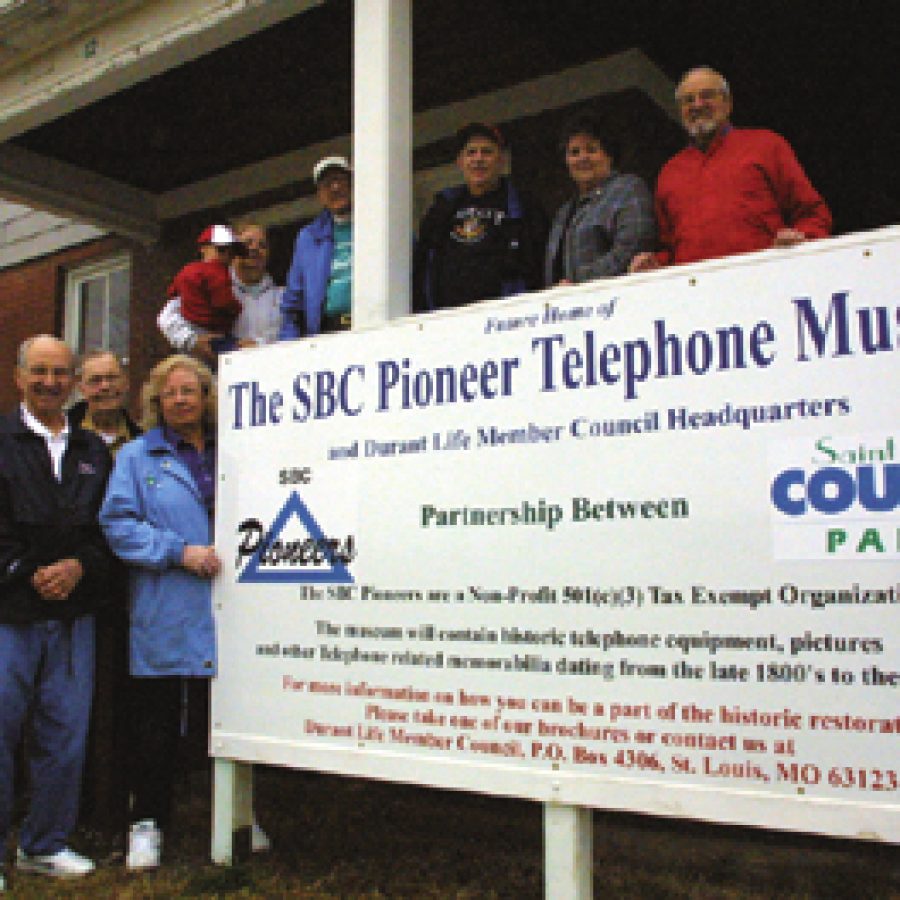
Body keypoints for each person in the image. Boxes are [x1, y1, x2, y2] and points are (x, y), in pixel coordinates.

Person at [99, 356, 268, 869]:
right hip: (168, 607)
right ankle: (146, 823)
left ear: (206, 397)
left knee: (230, 716)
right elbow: (117, 524)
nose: (180, 400)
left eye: (189, 391)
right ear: (156, 401)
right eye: (169, 393)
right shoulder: (135, 457)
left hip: (233, 607)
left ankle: (237, 815)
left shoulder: (235, 451)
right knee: (156, 724)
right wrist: (179, 551)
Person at [0, 335, 111, 883]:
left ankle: (44, 843)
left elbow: (104, 532)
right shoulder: (1, 440)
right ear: (19, 377)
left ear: (73, 382)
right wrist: (26, 573)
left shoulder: (92, 451)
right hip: (8, 616)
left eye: (60, 372)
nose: (50, 382)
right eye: (39, 372)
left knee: (65, 736)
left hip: (74, 615)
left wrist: (78, 569)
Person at [630, 66, 832, 272]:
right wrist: (654, 265)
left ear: (727, 103)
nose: (697, 105)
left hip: (767, 281)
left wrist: (801, 239)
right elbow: (670, 249)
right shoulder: (669, 172)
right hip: (697, 296)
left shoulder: (766, 145)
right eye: (688, 100)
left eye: (707, 96)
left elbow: (814, 215)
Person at [69, 351, 140, 838]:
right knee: (75, 699)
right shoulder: (65, 439)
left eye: (112, 378)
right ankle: (72, 804)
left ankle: (117, 803)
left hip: (133, 587)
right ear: (81, 386)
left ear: (126, 382)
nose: (105, 387)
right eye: (95, 380)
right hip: (77, 586)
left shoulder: (144, 438)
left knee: (124, 699)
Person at [413, 122, 548, 312]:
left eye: (486, 152)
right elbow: (421, 266)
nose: (478, 159)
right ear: (460, 161)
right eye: (471, 152)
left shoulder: (524, 206)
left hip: (506, 319)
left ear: (501, 159)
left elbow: (539, 265)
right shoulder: (442, 208)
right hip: (446, 321)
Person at [545, 114, 655, 286]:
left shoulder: (628, 189)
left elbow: (632, 249)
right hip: (571, 306)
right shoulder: (565, 212)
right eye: (574, 152)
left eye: (591, 149)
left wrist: (578, 284)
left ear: (609, 155)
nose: (582, 158)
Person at [158, 224, 283, 362]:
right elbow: (167, 317)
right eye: (247, 243)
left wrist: (259, 346)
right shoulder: (206, 284)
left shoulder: (283, 297)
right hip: (218, 375)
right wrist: (191, 341)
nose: (254, 248)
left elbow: (290, 338)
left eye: (262, 245)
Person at [279, 156, 353, 338]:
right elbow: (292, 303)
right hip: (329, 332)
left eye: (340, 180)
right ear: (320, 196)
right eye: (327, 183)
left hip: (377, 327)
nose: (335, 188)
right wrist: (289, 346)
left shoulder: (379, 220)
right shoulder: (308, 237)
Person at [164, 225, 248, 356]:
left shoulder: (187, 271)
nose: (227, 256)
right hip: (209, 339)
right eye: (222, 249)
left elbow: (172, 291)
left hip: (199, 340)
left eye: (232, 252)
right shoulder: (216, 272)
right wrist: (236, 309)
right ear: (203, 248)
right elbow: (165, 318)